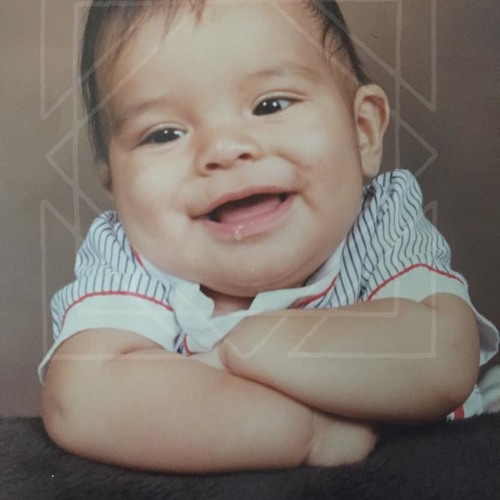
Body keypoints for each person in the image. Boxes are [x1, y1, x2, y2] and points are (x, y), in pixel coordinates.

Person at [40, 0, 499, 473]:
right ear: (116, 187)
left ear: (362, 131)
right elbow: (78, 399)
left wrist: (247, 347)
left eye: (270, 105)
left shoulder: (380, 217)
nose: (224, 150)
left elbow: (442, 354)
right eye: (164, 134)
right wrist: (306, 434)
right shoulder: (130, 257)